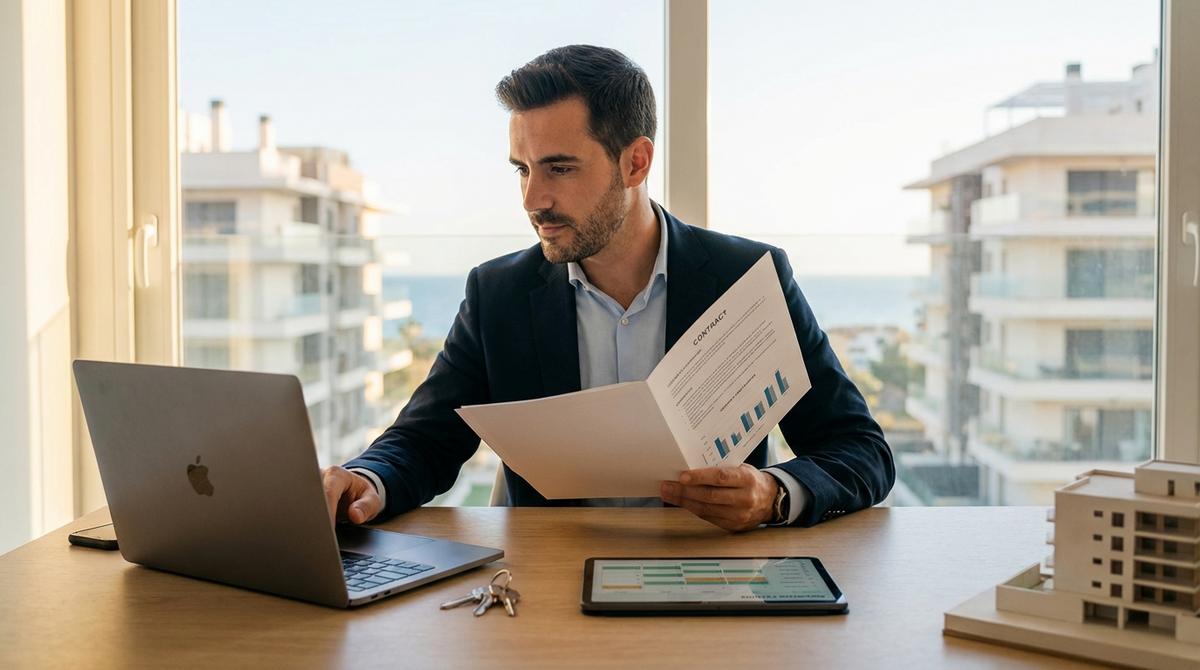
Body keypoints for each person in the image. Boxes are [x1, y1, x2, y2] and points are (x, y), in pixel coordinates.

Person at [322, 45, 894, 532]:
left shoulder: (747, 277)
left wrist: (772, 495)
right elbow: (426, 440)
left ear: (635, 162)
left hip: (709, 577)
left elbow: (860, 451)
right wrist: (365, 478)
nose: (532, 200)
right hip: (548, 589)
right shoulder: (497, 293)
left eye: (559, 168)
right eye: (522, 169)